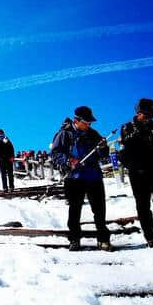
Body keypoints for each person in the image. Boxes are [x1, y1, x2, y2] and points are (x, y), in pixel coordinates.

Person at [51, 106, 113, 251]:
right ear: (76, 120)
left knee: (99, 210)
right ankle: (74, 239)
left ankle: (103, 240)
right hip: (74, 177)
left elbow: (103, 154)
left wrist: (103, 147)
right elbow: (55, 153)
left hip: (94, 176)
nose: (88, 125)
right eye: (86, 122)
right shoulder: (65, 134)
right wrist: (68, 161)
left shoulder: (93, 134)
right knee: (75, 209)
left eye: (90, 122)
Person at [120, 98, 153, 248]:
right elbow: (126, 143)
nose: (149, 117)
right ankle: (151, 237)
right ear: (138, 112)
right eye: (146, 114)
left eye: (151, 114)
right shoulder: (127, 127)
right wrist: (138, 133)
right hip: (138, 173)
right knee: (143, 206)